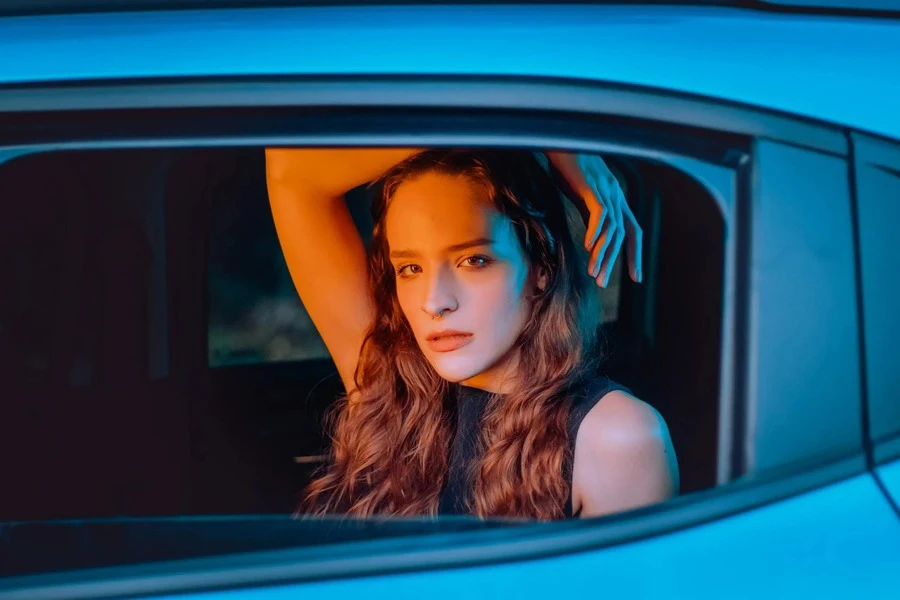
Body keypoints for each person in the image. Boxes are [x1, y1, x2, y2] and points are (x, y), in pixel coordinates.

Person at [265, 147, 678, 520]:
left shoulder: (617, 437)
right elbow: (290, 170)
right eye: (410, 268)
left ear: (541, 270)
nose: (434, 302)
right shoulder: (389, 392)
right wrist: (545, 138)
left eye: (473, 260)